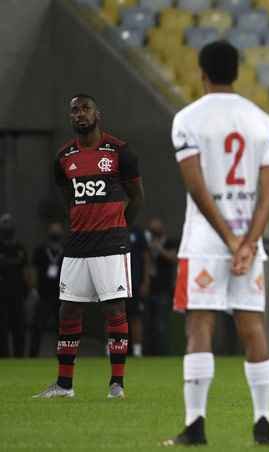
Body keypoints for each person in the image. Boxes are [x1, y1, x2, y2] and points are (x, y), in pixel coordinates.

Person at [163, 41, 269, 446]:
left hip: (204, 242)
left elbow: (196, 186)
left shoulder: (187, 119)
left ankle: (195, 425)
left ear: (202, 73)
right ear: (237, 72)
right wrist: (248, 242)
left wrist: (229, 240)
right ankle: (263, 423)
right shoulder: (261, 120)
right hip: (249, 242)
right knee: (252, 326)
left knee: (199, 325)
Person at [32, 94, 144, 399]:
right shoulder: (63, 157)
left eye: (85, 108)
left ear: (98, 114)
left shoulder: (120, 151)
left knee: (114, 309)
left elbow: (137, 197)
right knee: (68, 310)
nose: (80, 114)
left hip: (111, 243)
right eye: (74, 110)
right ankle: (64, 385)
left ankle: (116, 384)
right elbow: (69, 198)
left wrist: (120, 227)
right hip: (78, 244)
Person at [29, 222, 65, 357]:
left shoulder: (65, 250)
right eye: (53, 230)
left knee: (62, 328)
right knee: (37, 326)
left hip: (61, 295)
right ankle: (33, 355)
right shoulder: (40, 250)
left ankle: (63, 355)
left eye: (57, 230)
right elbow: (33, 269)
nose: (55, 233)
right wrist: (33, 289)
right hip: (43, 294)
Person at [144, 217, 178, 356]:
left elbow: (173, 258)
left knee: (161, 323)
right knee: (148, 323)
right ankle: (148, 353)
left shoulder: (170, 242)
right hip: (149, 288)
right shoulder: (147, 244)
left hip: (164, 288)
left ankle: (162, 353)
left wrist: (160, 249)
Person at [0, 213, 28, 358]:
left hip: (18, 293)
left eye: (9, 224)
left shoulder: (20, 247)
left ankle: (19, 357)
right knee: (2, 328)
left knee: (19, 326)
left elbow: (26, 270)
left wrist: (29, 289)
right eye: (5, 224)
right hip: (2, 294)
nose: (8, 227)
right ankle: (3, 356)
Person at [127, 224, 151, 357]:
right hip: (115, 282)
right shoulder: (111, 228)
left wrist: (145, 281)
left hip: (134, 282)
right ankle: (111, 348)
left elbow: (146, 258)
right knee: (112, 315)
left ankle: (137, 350)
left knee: (135, 317)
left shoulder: (137, 231)